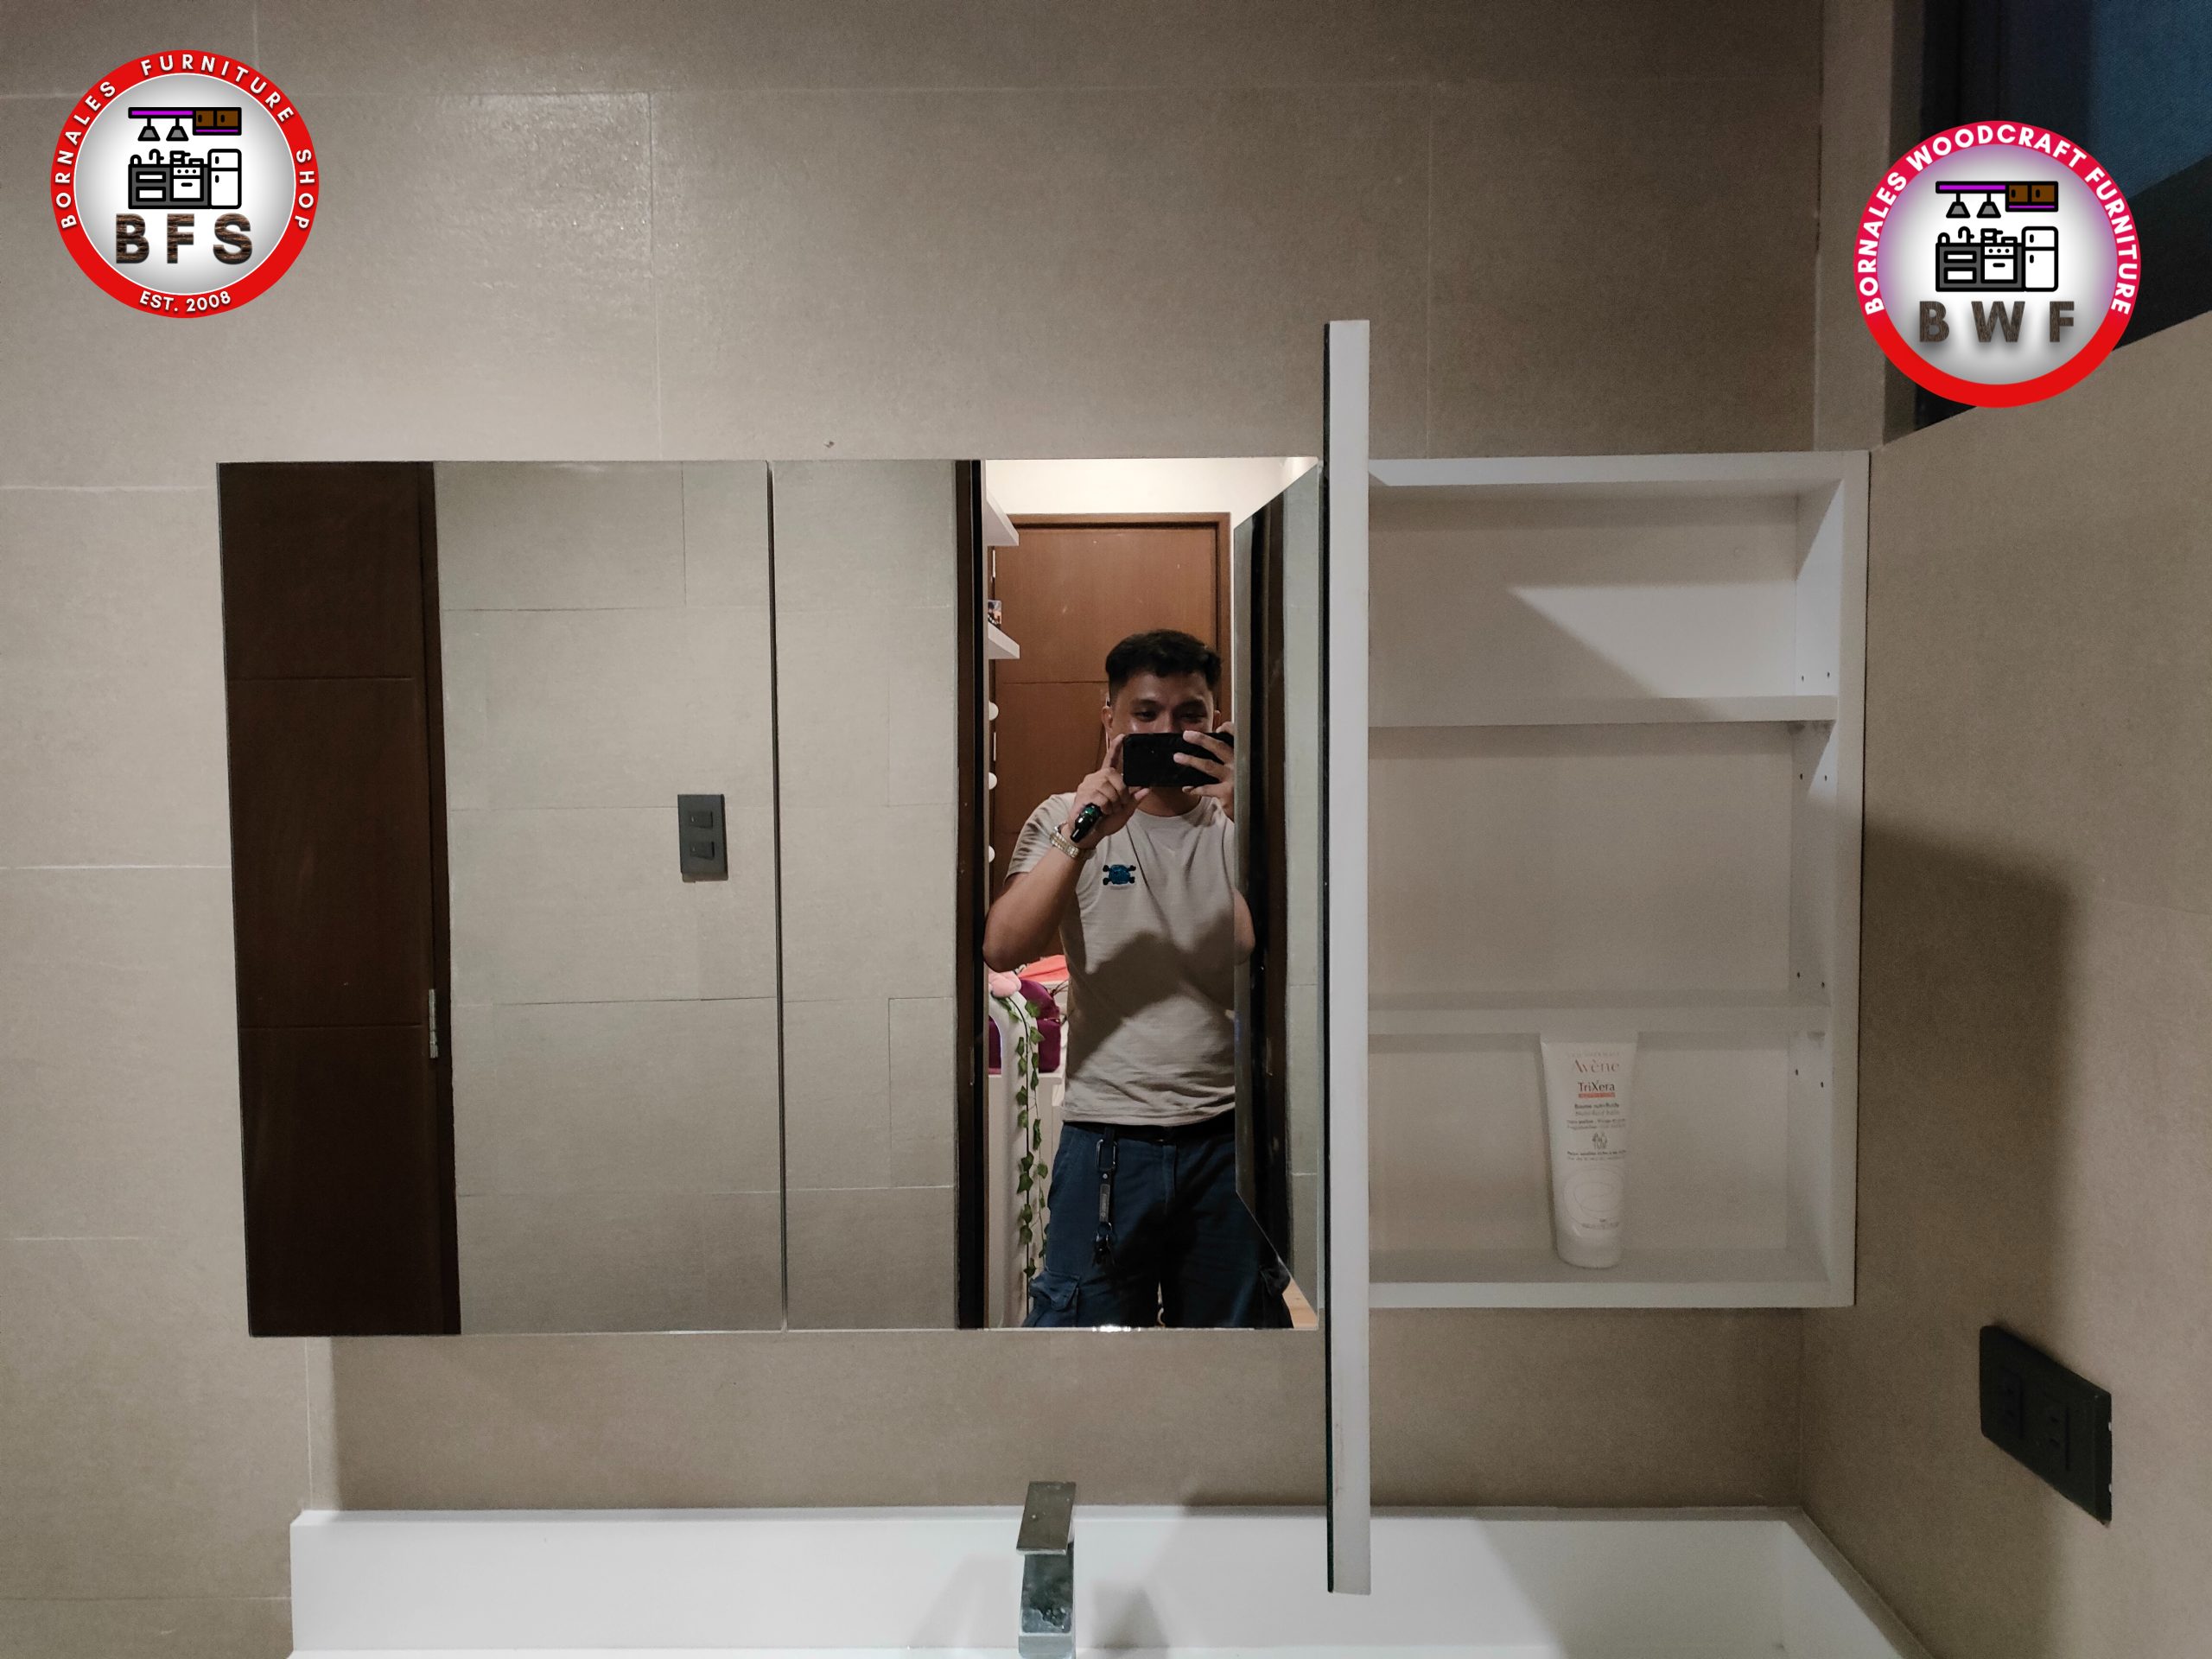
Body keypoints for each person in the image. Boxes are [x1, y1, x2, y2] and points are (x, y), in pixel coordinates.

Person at [984, 627, 1291, 1329]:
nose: (1167, 731)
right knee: (1084, 1357)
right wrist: (1083, 832)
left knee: (1231, 1357)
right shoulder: (1067, 819)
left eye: (1190, 714)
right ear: (1110, 720)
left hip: (1226, 1139)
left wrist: (1249, 815)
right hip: (1106, 1140)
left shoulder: (1240, 823)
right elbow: (1003, 946)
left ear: (1216, 722)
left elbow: (1254, 939)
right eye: (1146, 713)